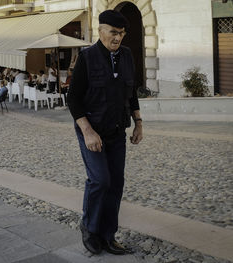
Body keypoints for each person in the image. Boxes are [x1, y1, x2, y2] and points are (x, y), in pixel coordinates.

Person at [67, 10, 143, 256]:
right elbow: (74, 99)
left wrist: (138, 122)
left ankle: (108, 236)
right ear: (100, 31)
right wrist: (87, 131)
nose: (118, 38)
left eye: (121, 33)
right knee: (100, 180)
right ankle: (89, 228)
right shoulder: (87, 57)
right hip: (91, 131)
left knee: (116, 184)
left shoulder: (128, 56)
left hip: (117, 131)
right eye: (113, 32)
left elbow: (131, 93)